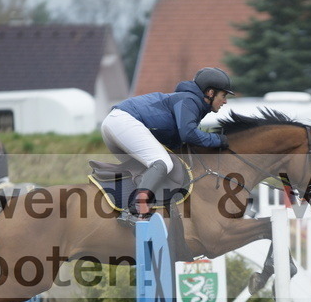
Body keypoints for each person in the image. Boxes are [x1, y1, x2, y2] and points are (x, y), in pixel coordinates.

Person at [100, 67, 233, 225]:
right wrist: (219, 140)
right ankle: (136, 209)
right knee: (162, 162)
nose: (225, 101)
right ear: (210, 93)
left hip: (114, 124)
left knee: (150, 169)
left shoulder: (190, 102)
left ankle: (126, 207)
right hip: (123, 121)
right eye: (223, 95)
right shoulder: (190, 100)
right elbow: (188, 134)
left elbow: (176, 141)